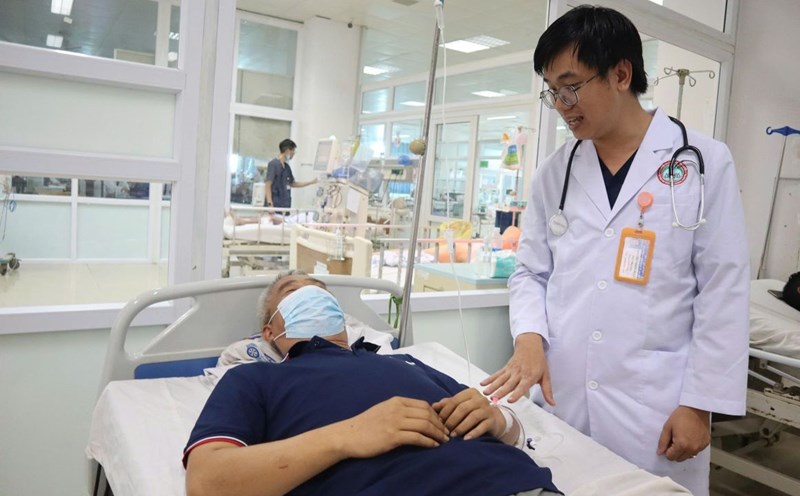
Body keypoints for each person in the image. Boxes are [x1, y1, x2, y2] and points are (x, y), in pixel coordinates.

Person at [480, 6, 749, 495]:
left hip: (655, 406)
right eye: (552, 91)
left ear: (621, 73)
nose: (562, 103)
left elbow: (722, 291)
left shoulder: (702, 162)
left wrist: (700, 403)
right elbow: (530, 274)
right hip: (563, 396)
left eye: (571, 86)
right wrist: (529, 339)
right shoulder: (554, 173)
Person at [184, 273, 561, 496]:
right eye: (293, 293)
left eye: (319, 292)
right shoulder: (254, 377)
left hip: (522, 483)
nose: (310, 295)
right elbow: (207, 480)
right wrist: (349, 434)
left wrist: (500, 421)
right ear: (269, 331)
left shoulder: (405, 362)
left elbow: (509, 431)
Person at [264, 138, 317, 210]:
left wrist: (310, 182)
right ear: (288, 151)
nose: (294, 153)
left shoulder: (287, 167)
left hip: (284, 206)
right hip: (274, 205)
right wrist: (270, 204)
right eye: (293, 151)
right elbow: (268, 185)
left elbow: (293, 183)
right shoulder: (273, 164)